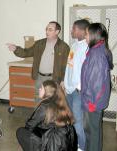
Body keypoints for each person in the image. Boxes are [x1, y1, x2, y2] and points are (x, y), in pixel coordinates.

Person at [7, 21, 70, 102]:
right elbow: (26, 52)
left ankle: (49, 115)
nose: (47, 31)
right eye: (46, 29)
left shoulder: (64, 47)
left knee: (52, 102)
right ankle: (38, 114)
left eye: (50, 29)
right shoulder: (39, 44)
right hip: (39, 77)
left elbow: (65, 66)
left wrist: (63, 80)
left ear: (57, 32)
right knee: (38, 99)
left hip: (54, 79)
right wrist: (16, 49)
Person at [16, 80, 77, 151]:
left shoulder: (44, 106)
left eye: (41, 88)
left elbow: (30, 125)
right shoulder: (61, 102)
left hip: (53, 145)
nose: (39, 89)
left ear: (47, 92)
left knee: (20, 131)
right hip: (63, 144)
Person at [81, 23, 113, 151]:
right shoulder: (95, 50)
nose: (85, 37)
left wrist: (91, 103)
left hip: (92, 102)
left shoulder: (96, 55)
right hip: (92, 101)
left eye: (87, 34)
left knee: (92, 133)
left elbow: (97, 85)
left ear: (94, 36)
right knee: (93, 131)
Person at [63, 19, 90, 151]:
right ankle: (74, 144)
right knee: (70, 119)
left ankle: (82, 148)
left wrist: (78, 87)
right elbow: (69, 67)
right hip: (69, 89)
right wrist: (65, 83)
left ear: (81, 30)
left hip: (78, 91)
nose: (71, 31)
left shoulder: (87, 47)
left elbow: (86, 71)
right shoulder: (74, 45)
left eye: (73, 29)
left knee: (78, 122)